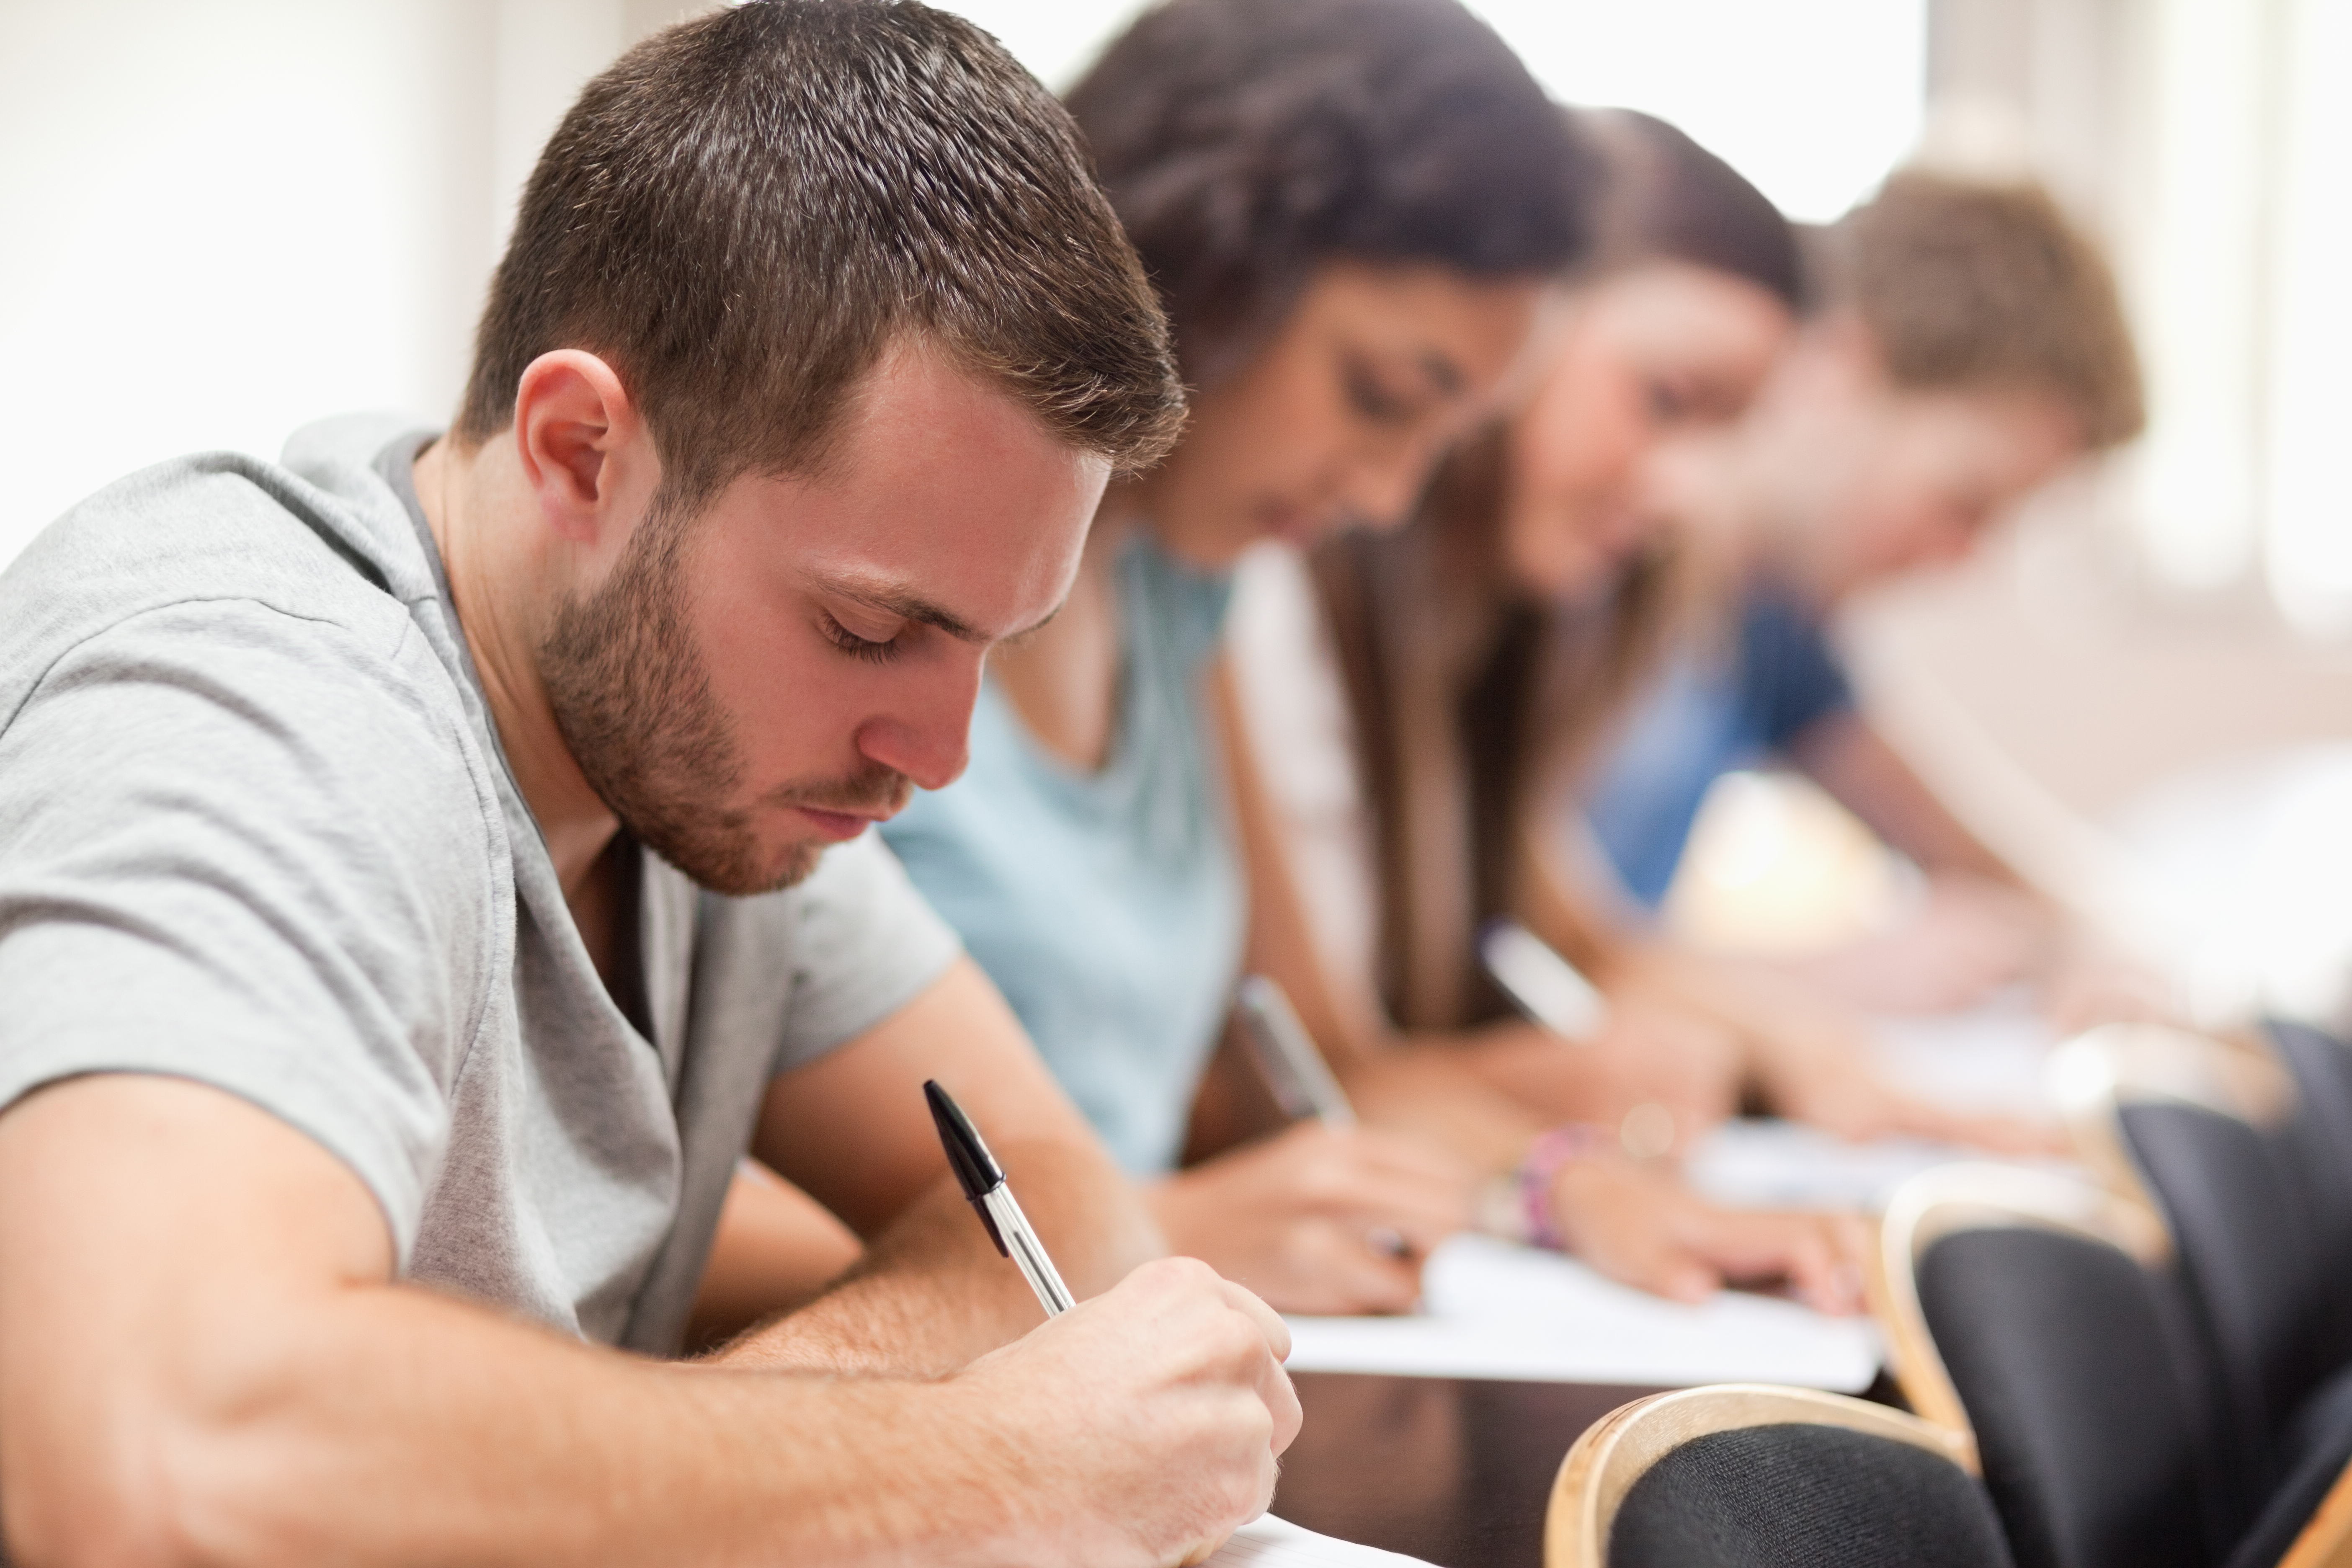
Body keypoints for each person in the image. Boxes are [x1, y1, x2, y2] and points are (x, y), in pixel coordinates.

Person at [0, 6, 1300, 1563]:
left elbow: (1056, 1203)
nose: (938, 753)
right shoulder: (251, 704)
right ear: (576, 451)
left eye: (990, 646)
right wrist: (982, 1460)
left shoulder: (705, 758)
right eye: (873, 628)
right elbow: (152, 1450)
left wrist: (762, 1447)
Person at [1226, 112, 2014, 1308]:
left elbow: (1589, 939)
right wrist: (1566, 1169)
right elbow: (1306, 1069)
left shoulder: (1483, 641)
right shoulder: (1270, 596)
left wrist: (1805, 1054)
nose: (1691, 491)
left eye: (1724, 432)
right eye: (1666, 397)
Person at [875, 0, 1586, 1316]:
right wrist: (1154, 1229)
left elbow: (1322, 1059)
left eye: (1445, 437)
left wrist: (1560, 1189)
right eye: (1379, 396)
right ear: (1203, 263)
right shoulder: (873, 579)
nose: (1385, 500)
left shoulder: (1177, 586)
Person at [1583, 170, 2147, 1016]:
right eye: (1964, 503)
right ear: (1842, 368)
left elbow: (1981, 858)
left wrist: (2089, 951)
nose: (1962, 561)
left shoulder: (1768, 632)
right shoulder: (1579, 566)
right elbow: (1507, 969)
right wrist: (1828, 981)